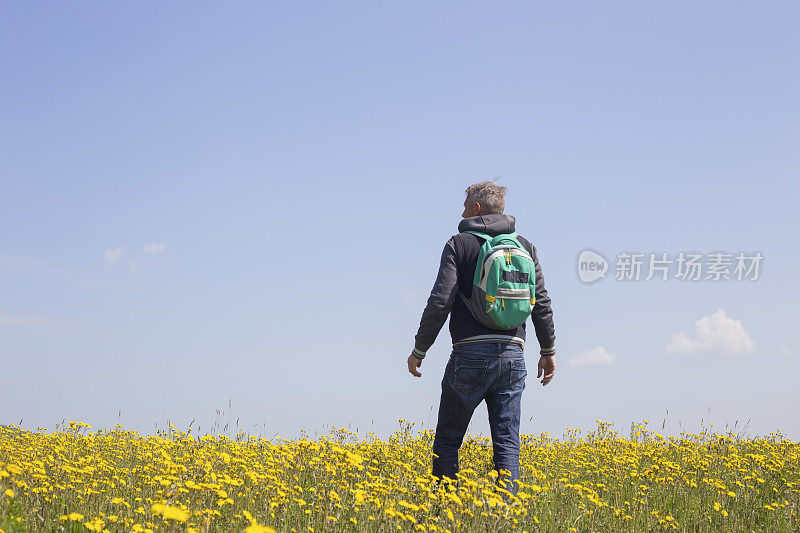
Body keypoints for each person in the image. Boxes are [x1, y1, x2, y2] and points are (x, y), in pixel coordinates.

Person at [407, 181, 556, 494]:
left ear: (476, 209)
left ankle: (445, 512)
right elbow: (540, 301)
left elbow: (440, 301)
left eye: (464, 206)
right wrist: (547, 350)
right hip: (514, 356)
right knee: (507, 445)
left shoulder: (459, 244)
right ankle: (506, 518)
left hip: (469, 355)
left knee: (448, 440)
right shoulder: (525, 247)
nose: (461, 213)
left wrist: (420, 349)